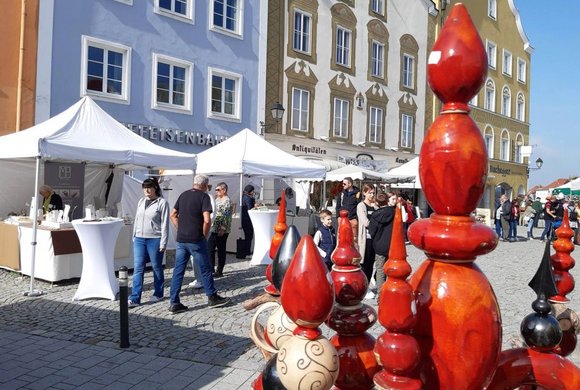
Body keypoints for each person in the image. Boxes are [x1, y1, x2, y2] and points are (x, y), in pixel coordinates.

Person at [169, 174, 230, 313]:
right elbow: (207, 220)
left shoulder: (183, 195)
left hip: (181, 239)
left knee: (178, 271)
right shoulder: (204, 197)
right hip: (196, 239)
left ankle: (174, 302)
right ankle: (212, 297)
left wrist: (179, 227)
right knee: (206, 269)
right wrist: (204, 234)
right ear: (204, 185)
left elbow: (173, 214)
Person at [128, 178, 169, 307]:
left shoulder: (162, 203)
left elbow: (165, 224)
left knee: (156, 267)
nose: (146, 190)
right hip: (140, 239)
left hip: (154, 239)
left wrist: (163, 243)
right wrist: (134, 236)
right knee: (138, 268)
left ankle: (158, 292)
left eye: (149, 187)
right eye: (144, 187)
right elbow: (137, 219)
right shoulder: (141, 201)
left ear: (155, 188)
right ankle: (135, 298)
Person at [368, 192, 397, 299]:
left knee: (380, 271)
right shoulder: (394, 212)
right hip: (392, 244)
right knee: (391, 269)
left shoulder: (375, 215)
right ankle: (391, 291)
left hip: (379, 245)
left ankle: (381, 295)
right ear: (387, 201)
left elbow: (372, 231)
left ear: (377, 202)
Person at [208, 182, 232, 278]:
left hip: (222, 229)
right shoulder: (217, 199)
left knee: (221, 249)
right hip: (214, 227)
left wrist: (223, 228)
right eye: (216, 189)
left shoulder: (227, 201)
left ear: (224, 190)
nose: (216, 191)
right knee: (210, 248)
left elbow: (226, 216)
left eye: (218, 190)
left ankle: (219, 270)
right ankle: (211, 269)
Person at [356, 184, 377, 293]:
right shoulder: (361, 206)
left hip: (375, 238)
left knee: (373, 263)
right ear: (364, 193)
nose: (372, 195)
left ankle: (368, 284)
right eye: (369, 192)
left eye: (373, 193)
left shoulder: (375, 206)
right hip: (366, 238)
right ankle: (364, 287)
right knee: (365, 263)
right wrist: (376, 224)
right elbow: (365, 222)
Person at [335, 177, 361, 244]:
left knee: (354, 240)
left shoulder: (357, 194)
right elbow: (338, 206)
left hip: (353, 220)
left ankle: (354, 254)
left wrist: (356, 219)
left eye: (344, 184)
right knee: (341, 238)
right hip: (342, 220)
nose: (342, 185)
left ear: (349, 184)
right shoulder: (341, 194)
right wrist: (338, 217)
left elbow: (359, 206)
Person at [241, 184, 257, 257]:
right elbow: (250, 209)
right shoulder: (248, 198)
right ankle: (247, 252)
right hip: (248, 220)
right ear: (250, 191)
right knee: (249, 236)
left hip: (244, 219)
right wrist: (256, 206)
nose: (253, 192)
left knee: (247, 236)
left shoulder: (243, 197)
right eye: (253, 190)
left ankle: (246, 251)